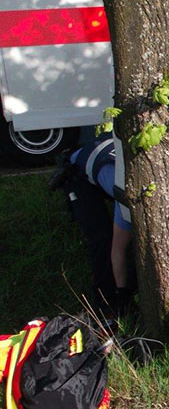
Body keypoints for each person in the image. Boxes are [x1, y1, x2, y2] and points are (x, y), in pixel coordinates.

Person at [50, 134, 133, 315]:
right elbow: (117, 249)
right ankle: (107, 304)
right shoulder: (127, 198)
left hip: (105, 157)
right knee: (102, 239)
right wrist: (123, 293)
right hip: (77, 170)